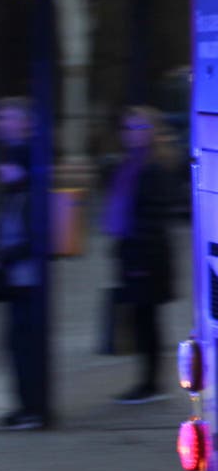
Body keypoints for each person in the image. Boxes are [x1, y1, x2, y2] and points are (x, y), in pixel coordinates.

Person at [0, 97, 45, 431]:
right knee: (14, 344)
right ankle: (24, 406)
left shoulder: (30, 160)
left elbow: (36, 226)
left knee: (25, 343)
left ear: (25, 123)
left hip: (27, 274)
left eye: (7, 118)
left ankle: (33, 410)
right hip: (16, 272)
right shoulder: (13, 159)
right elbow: (4, 210)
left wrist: (1, 248)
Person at [100, 105, 178, 404]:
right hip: (132, 252)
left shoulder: (153, 168)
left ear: (152, 133)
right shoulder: (129, 166)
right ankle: (148, 382)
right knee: (141, 318)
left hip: (147, 256)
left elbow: (154, 216)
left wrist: (140, 259)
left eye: (140, 128)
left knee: (147, 321)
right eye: (129, 128)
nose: (133, 135)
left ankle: (150, 384)